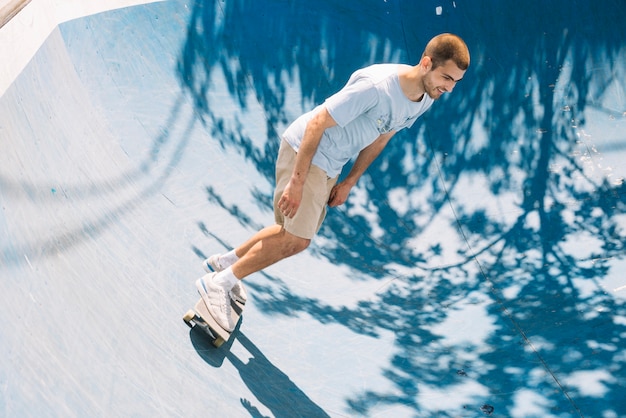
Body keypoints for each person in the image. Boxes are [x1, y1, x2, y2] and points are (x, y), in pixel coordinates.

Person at [197, 33, 470, 331]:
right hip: (307, 151)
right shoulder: (376, 86)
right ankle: (219, 284)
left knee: (289, 229)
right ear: (427, 63)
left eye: (455, 82)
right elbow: (318, 122)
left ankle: (223, 263)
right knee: (296, 240)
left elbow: (382, 137)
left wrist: (350, 181)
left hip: (331, 164)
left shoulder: (424, 98)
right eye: (446, 77)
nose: (449, 88)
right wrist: (297, 182)